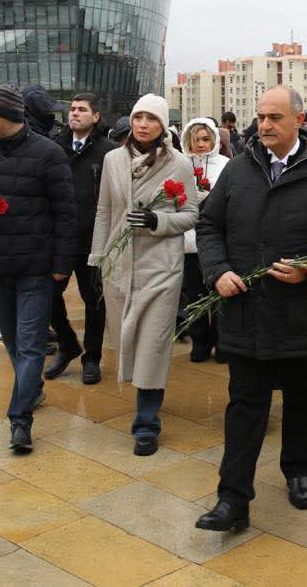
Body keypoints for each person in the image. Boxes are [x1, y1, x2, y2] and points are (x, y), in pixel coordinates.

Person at [193, 86, 307, 532]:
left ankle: (298, 470)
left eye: (274, 117)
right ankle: (233, 499)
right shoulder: (237, 171)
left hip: (300, 312)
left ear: (298, 120)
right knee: (245, 403)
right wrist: (218, 271)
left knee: (300, 398)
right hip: (245, 310)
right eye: (261, 117)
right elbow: (209, 226)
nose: (264, 125)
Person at [0, 84, 77, 453]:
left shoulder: (49, 154)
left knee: (30, 346)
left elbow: (65, 214)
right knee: (13, 342)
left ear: (11, 117)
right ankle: (34, 391)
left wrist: (62, 265)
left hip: (35, 268)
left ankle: (20, 420)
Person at [91, 95, 197, 455]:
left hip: (161, 268)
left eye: (151, 118)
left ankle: (146, 425)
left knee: (153, 344)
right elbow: (105, 210)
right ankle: (145, 406)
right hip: (120, 266)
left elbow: (192, 213)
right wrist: (98, 256)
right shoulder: (112, 160)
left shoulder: (179, 165)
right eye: (138, 117)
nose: (143, 124)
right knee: (126, 340)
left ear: (162, 125)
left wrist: (158, 220)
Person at [45, 94, 116, 385]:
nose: (75, 114)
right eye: (72, 109)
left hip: (93, 242)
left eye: (82, 110)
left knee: (94, 302)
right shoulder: (54, 148)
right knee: (47, 294)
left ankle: (92, 358)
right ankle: (68, 343)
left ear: (95, 116)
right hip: (60, 240)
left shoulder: (109, 152)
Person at [182, 117, 230, 362]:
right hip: (189, 239)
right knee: (195, 293)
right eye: (195, 139)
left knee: (220, 291)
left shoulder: (225, 164)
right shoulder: (180, 164)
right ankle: (200, 340)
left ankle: (223, 341)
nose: (200, 144)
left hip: (217, 239)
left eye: (205, 139)